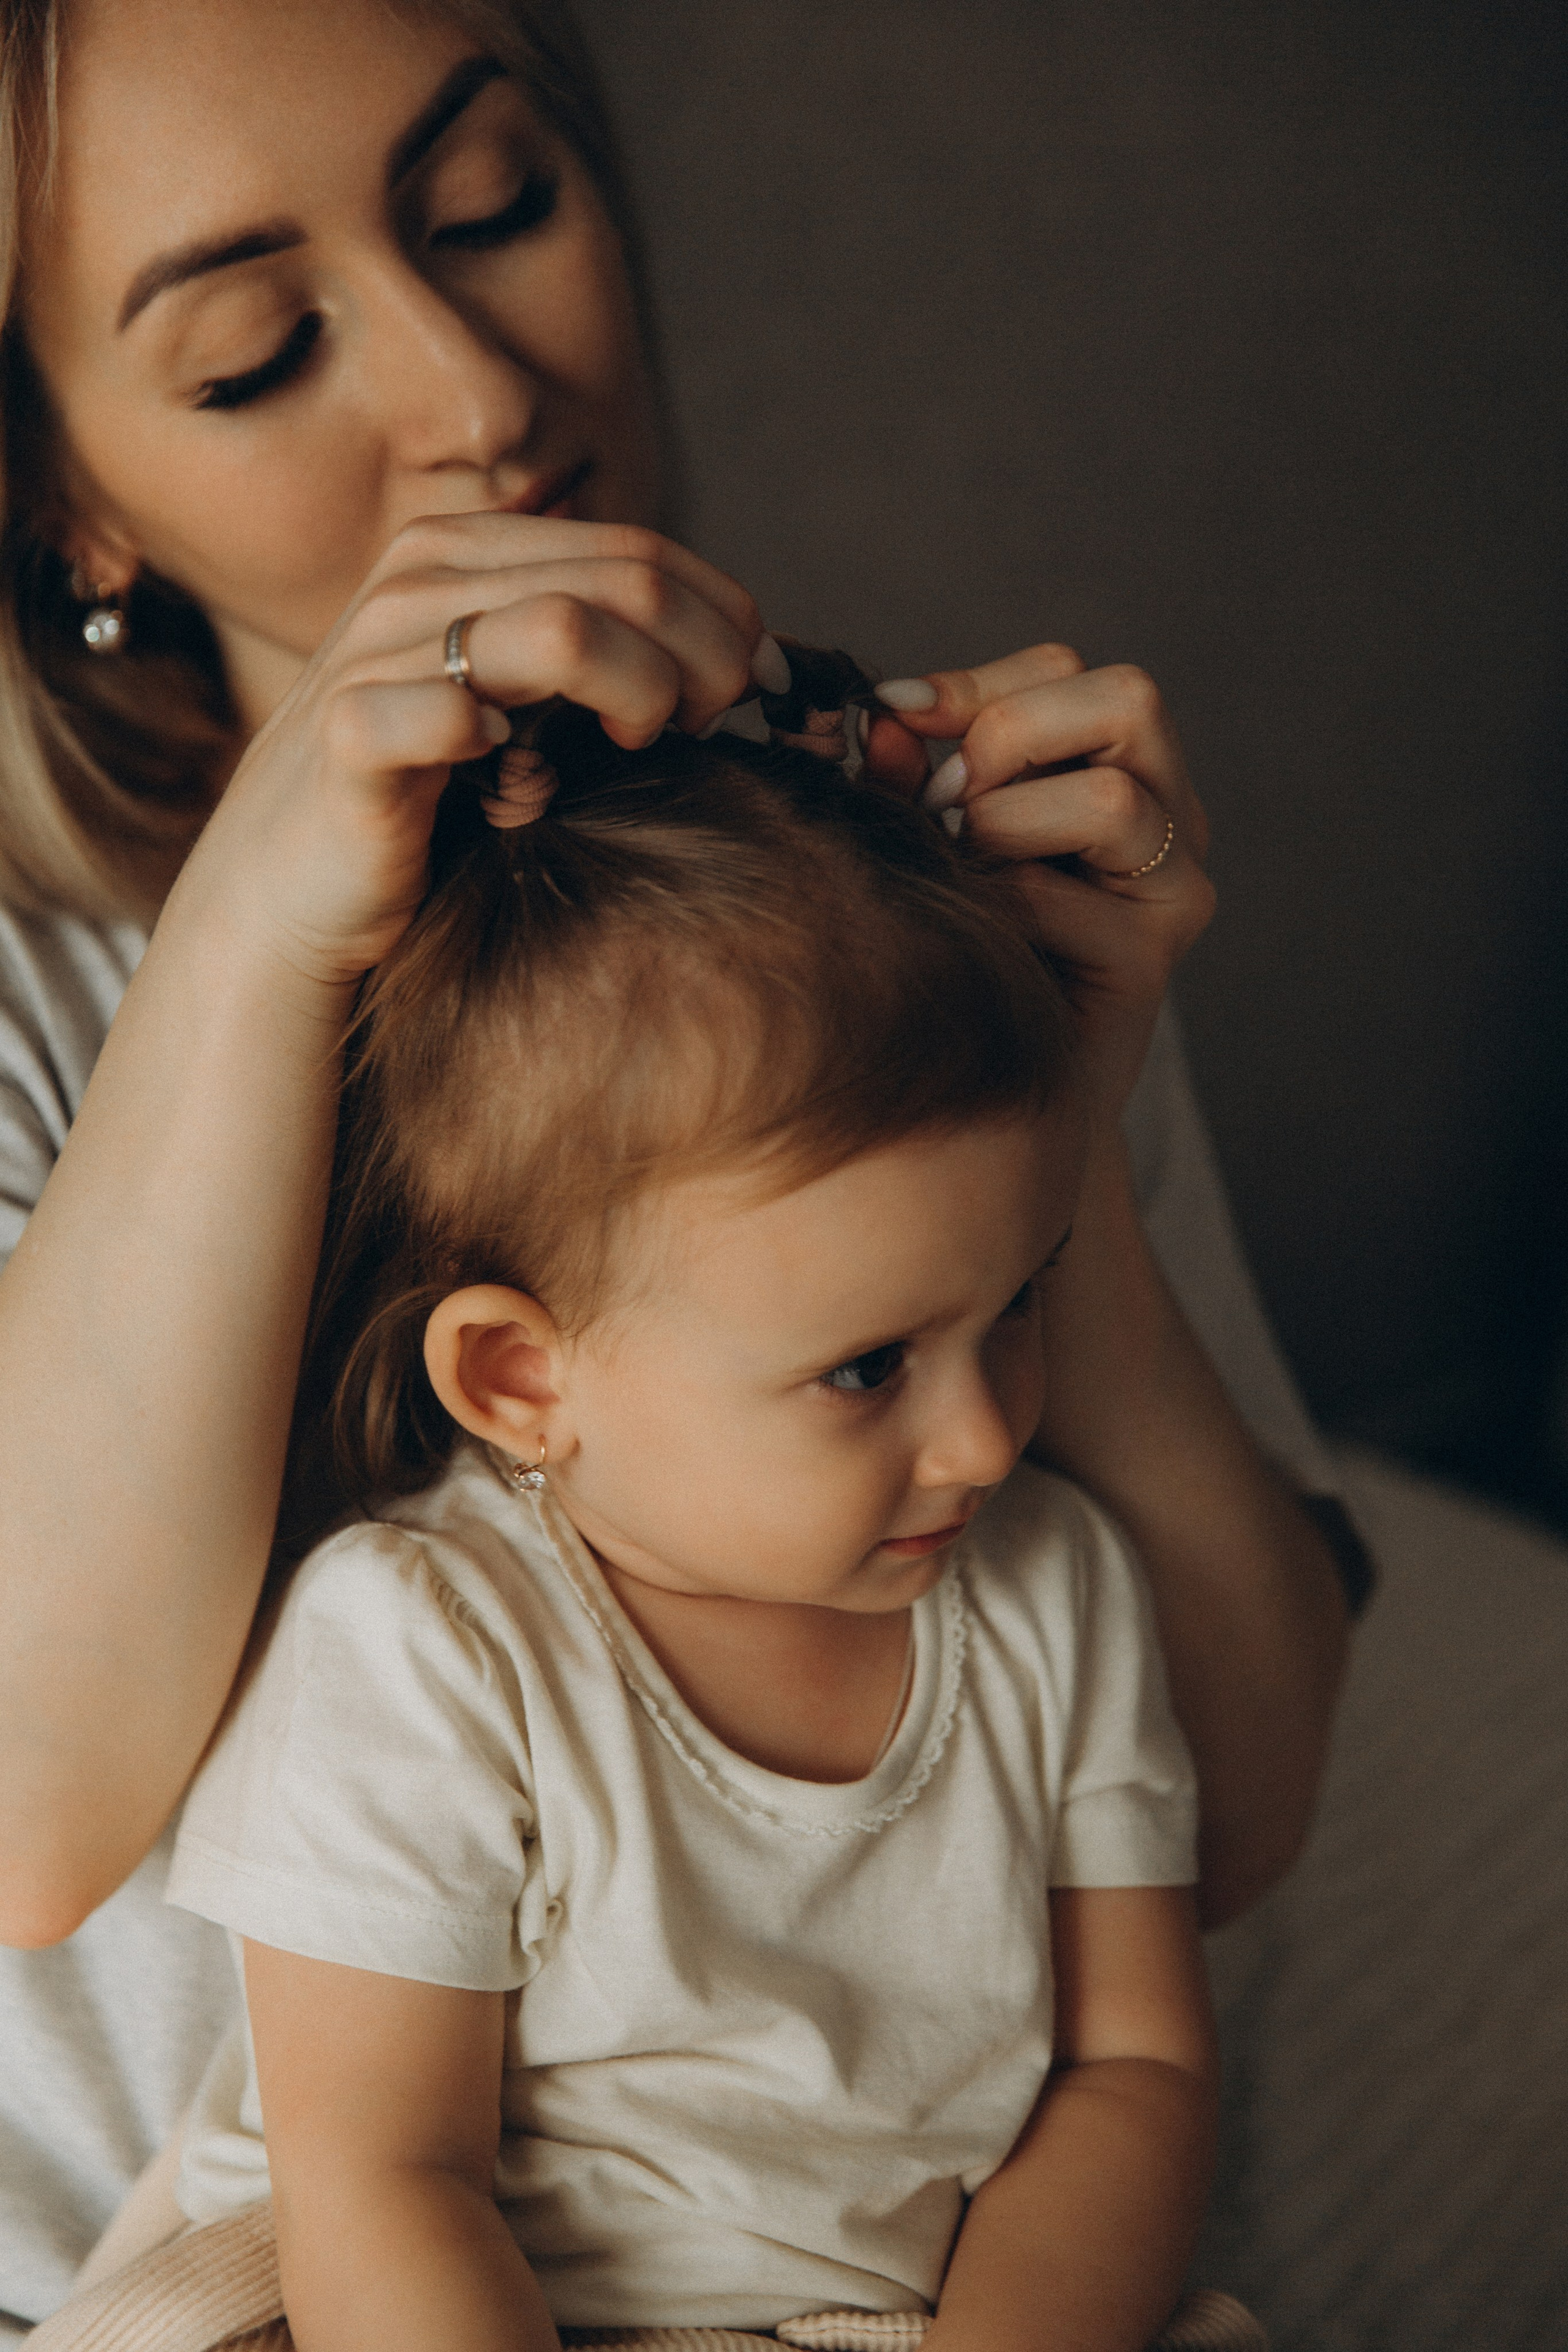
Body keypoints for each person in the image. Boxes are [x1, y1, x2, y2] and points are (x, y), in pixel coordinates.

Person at [0, 0, 1355, 2332]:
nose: (475, 397)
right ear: (67, 500)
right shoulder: (40, 1015)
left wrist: (1069, 1105)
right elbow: (31, 1813)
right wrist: (251, 914)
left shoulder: (900, 911)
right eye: (252, 351)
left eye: (496, 203)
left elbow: (1225, 1819)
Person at [158, 704, 1216, 2351]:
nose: (992, 1434)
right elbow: (384, 2182)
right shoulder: (428, 1643)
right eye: (868, 1368)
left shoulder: (1054, 1595)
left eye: (1016, 1306)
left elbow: (1130, 2068)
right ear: (524, 1379)